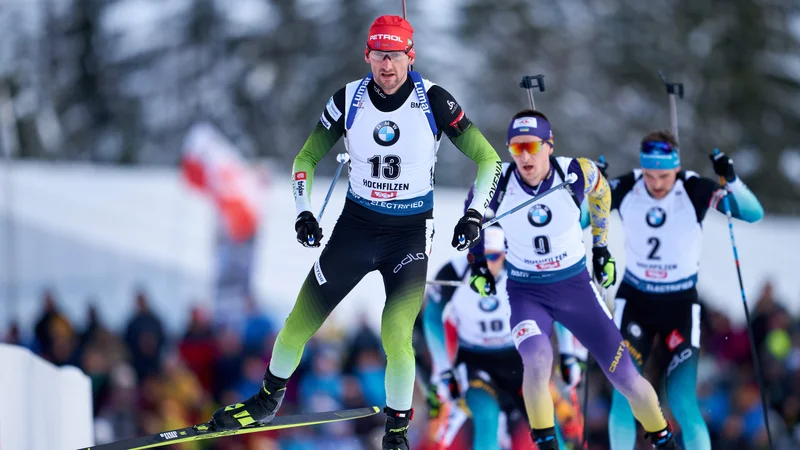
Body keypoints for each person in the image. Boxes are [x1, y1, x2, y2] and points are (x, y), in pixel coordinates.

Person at [207, 15, 503, 450]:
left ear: (410, 57)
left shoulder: (434, 100)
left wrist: (475, 214)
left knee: (396, 335)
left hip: (409, 234)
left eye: (396, 56)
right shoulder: (349, 99)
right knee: (297, 323)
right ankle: (268, 399)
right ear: (367, 56)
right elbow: (305, 158)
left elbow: (489, 159)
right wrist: (303, 213)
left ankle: (397, 430)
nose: (387, 66)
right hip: (356, 227)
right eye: (379, 56)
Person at [465, 109, 679, 449]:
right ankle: (547, 443)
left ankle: (664, 438)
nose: (524, 156)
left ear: (549, 145)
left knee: (625, 377)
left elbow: (602, 193)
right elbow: (472, 217)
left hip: (575, 289)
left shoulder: (576, 171)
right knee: (536, 361)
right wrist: (476, 264)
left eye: (532, 146)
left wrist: (601, 248)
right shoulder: (498, 180)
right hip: (526, 293)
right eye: (516, 148)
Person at [605, 131, 764, 450]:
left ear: (676, 169)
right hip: (636, 302)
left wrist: (730, 180)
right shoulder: (627, 186)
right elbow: (578, 217)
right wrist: (591, 187)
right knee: (624, 396)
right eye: (650, 174)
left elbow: (752, 213)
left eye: (664, 175)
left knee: (682, 401)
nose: (656, 183)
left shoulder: (693, 187)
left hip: (679, 306)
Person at [422, 225, 583, 450]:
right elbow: (431, 317)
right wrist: (444, 369)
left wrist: (568, 354)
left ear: (505, 254)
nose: (485, 265)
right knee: (486, 416)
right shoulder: (454, 273)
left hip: (518, 359)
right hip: (475, 361)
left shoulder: (522, 271)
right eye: (478, 257)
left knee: (546, 422)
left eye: (493, 257)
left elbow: (557, 306)